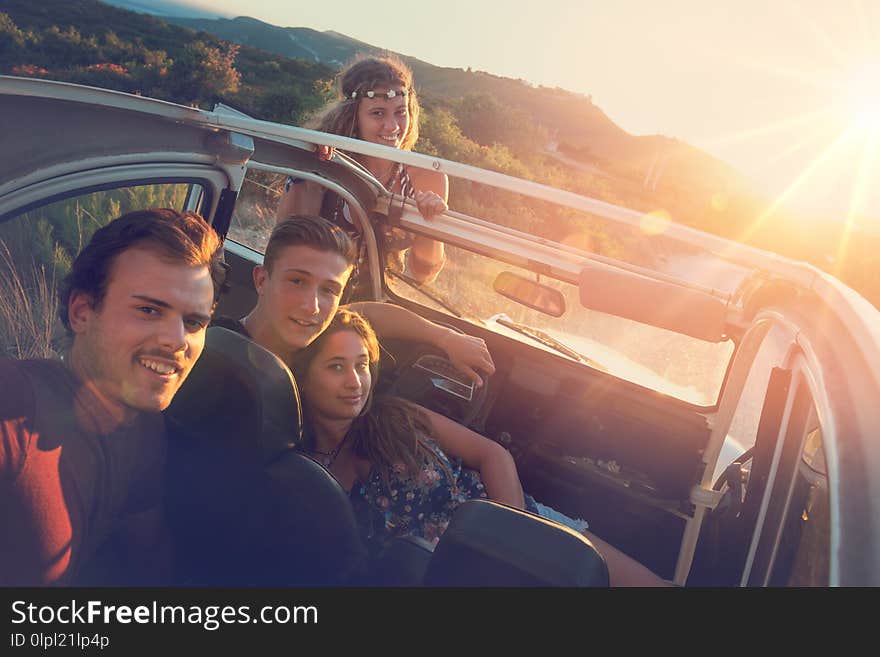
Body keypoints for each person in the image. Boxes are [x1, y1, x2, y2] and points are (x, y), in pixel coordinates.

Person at [0, 209, 225, 586]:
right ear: (82, 312)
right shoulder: (15, 404)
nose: (178, 340)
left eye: (194, 323)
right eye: (149, 310)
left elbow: (148, 564)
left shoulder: (144, 428)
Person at [214, 214, 493, 386]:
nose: (311, 306)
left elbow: (371, 313)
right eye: (297, 281)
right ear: (262, 280)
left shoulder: (317, 342)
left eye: (329, 290)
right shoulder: (212, 348)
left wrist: (446, 338)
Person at [275, 54, 447, 297]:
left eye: (400, 111)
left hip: (382, 303)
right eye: (378, 113)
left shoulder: (427, 176)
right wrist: (312, 178)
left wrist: (431, 224)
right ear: (353, 116)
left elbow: (423, 274)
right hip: (313, 296)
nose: (393, 126)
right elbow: (289, 251)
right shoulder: (326, 160)